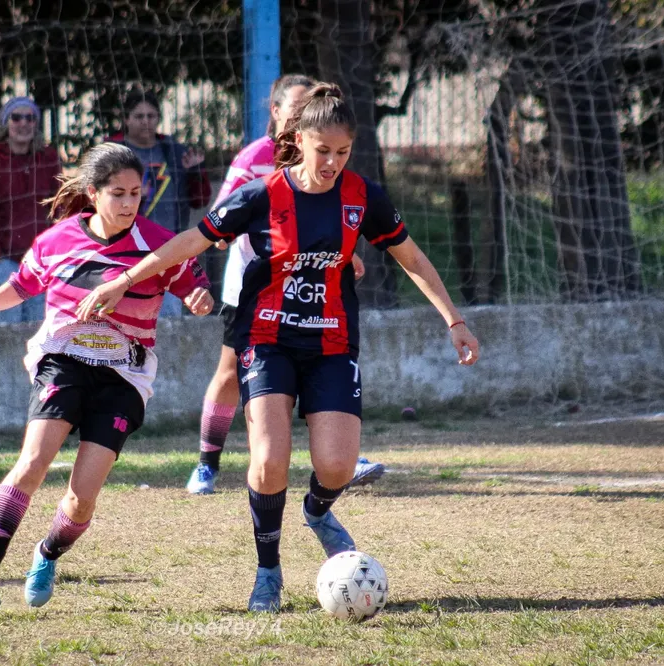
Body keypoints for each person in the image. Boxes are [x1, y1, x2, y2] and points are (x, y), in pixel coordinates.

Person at [76, 83, 480, 613]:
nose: (332, 162)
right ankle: (268, 572)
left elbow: (413, 259)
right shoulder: (263, 194)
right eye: (322, 151)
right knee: (268, 463)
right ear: (297, 141)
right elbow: (190, 241)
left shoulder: (363, 197)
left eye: (342, 152)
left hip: (332, 342)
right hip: (266, 340)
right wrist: (123, 280)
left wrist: (454, 319)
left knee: (336, 466)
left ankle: (317, 510)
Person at [0, 142, 213, 611]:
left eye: (135, 193)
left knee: (82, 498)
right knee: (32, 462)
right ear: (93, 194)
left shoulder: (158, 244)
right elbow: (22, 286)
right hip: (63, 361)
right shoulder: (57, 241)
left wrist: (199, 299)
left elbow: (193, 284)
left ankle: (47, 553)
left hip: (124, 376)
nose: (129, 204)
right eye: (117, 194)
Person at [185, 73, 385, 495]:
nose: (302, 115)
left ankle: (335, 454)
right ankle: (207, 462)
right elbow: (220, 220)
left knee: (319, 364)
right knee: (227, 373)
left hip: (313, 289)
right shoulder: (255, 157)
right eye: (295, 108)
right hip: (255, 286)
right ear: (279, 115)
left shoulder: (328, 157)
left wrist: (343, 253)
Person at [107, 89, 212, 317]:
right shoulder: (114, 153)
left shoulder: (173, 151)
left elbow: (200, 200)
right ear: (126, 119)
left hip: (168, 247)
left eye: (151, 116)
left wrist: (195, 172)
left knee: (167, 319)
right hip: (126, 250)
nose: (146, 122)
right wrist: (137, 197)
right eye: (139, 116)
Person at [0, 96, 63, 323]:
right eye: (16, 117)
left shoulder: (48, 158)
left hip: (39, 262)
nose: (23, 123)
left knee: (39, 331)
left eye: (29, 118)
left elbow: (58, 205)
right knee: (3, 333)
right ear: (5, 123)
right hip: (0, 262)